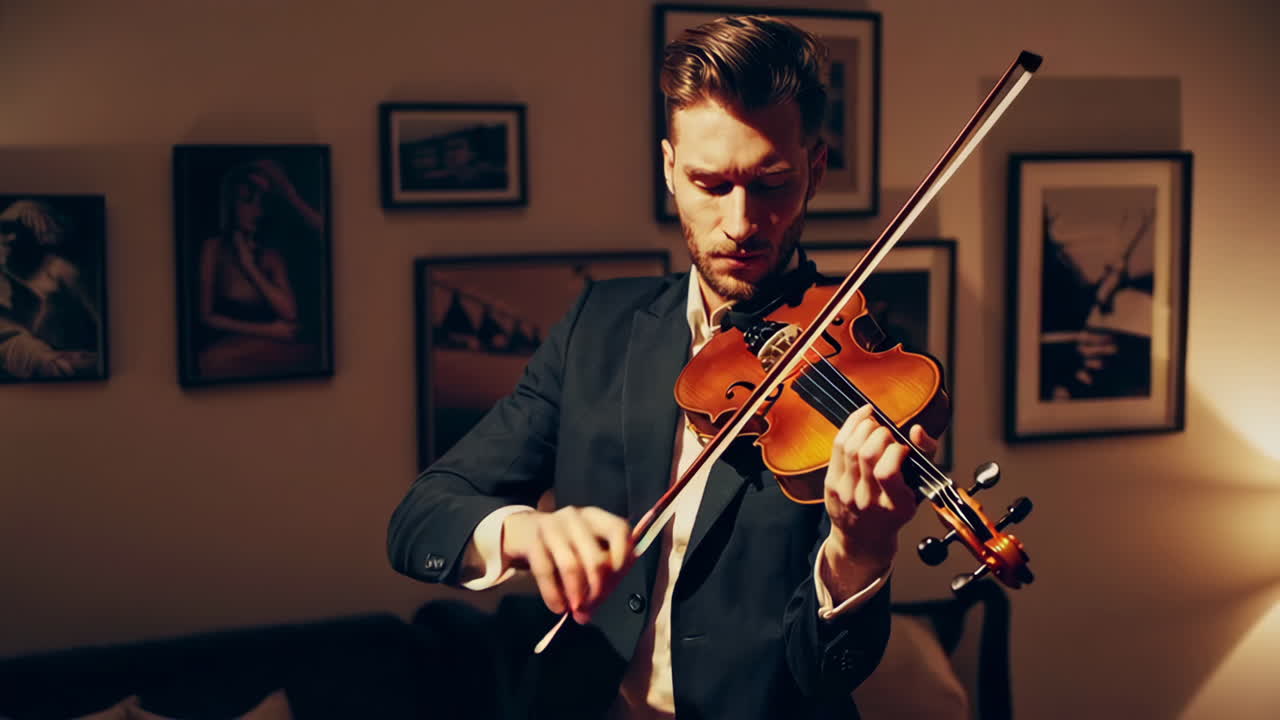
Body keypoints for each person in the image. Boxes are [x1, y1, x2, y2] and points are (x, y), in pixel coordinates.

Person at [388, 14, 942, 720]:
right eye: (712, 185)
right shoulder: (597, 329)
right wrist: (527, 531)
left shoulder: (872, 381)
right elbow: (420, 519)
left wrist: (861, 551)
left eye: (772, 184)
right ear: (669, 170)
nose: (742, 223)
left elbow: (826, 673)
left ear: (816, 171)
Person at [194, 158, 322, 379]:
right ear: (231, 204)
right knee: (212, 360)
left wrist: (250, 268)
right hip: (251, 338)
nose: (257, 210)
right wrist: (269, 331)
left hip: (276, 345)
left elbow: (290, 312)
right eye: (247, 201)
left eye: (262, 202)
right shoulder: (214, 247)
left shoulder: (270, 252)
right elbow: (206, 315)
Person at [0, 199, 99, 379]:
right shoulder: (5, 276)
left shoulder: (62, 270)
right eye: (5, 229)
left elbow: (101, 321)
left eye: (20, 230)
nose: (10, 238)